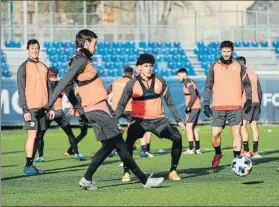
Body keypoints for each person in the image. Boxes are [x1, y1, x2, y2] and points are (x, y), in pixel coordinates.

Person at [34, 29, 164, 190]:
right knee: (120, 145)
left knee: (110, 145)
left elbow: (68, 88)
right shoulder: (81, 61)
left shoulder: (78, 59)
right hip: (98, 110)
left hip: (94, 110)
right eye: (95, 43)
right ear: (86, 43)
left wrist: (79, 107)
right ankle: (145, 180)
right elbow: (64, 83)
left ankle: (87, 179)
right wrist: (48, 106)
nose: (96, 47)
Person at [115, 53, 186, 182]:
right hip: (139, 121)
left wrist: (179, 120)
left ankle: (173, 171)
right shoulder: (131, 84)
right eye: (146, 66)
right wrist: (113, 120)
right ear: (139, 68)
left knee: (177, 137)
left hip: (159, 121)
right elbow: (121, 104)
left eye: (151, 66)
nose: (149, 68)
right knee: (128, 142)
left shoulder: (160, 80)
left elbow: (170, 102)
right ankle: (126, 171)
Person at [203, 40, 252, 168]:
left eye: (228, 51)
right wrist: (206, 103)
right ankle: (218, 153)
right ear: (220, 51)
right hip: (218, 107)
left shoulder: (239, 66)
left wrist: (249, 99)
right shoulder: (214, 66)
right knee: (215, 135)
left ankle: (237, 161)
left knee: (236, 133)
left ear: (232, 51)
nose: (226, 54)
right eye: (224, 51)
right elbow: (208, 86)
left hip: (235, 107)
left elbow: (247, 84)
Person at [17, 39, 55, 175]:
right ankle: (28, 165)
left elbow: (49, 89)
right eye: (32, 48)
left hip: (43, 108)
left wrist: (50, 107)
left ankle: (31, 165)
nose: (35, 50)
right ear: (28, 49)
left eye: (37, 48)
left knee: (39, 136)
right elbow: (21, 90)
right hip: (31, 108)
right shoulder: (23, 67)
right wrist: (25, 110)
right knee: (32, 136)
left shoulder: (44, 67)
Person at [34, 67, 85, 162]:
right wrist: (73, 108)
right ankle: (77, 154)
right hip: (59, 112)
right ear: (57, 74)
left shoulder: (45, 84)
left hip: (47, 112)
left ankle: (40, 157)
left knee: (40, 135)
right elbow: (71, 96)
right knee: (70, 134)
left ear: (48, 75)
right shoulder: (62, 84)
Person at [236, 56, 263, 158]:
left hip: (246, 102)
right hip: (256, 101)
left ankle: (246, 151)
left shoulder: (241, 75)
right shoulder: (254, 73)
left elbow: (240, 91)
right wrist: (258, 103)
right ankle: (255, 152)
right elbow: (259, 91)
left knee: (243, 126)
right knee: (254, 127)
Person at [176, 68, 202, 154]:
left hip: (194, 107)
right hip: (196, 106)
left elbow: (193, 94)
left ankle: (191, 148)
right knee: (193, 127)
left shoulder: (187, 82)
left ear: (183, 74)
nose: (178, 78)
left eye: (179, 75)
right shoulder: (190, 81)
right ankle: (198, 149)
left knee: (188, 126)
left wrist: (189, 107)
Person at [135, 62, 153, 158]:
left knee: (145, 129)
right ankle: (146, 149)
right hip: (143, 106)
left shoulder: (139, 80)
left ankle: (145, 149)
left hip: (144, 107)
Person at [65, 86, 88, 156]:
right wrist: (72, 109)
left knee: (84, 132)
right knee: (98, 129)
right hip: (82, 114)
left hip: (83, 113)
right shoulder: (80, 88)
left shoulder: (77, 88)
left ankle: (70, 150)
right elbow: (76, 100)